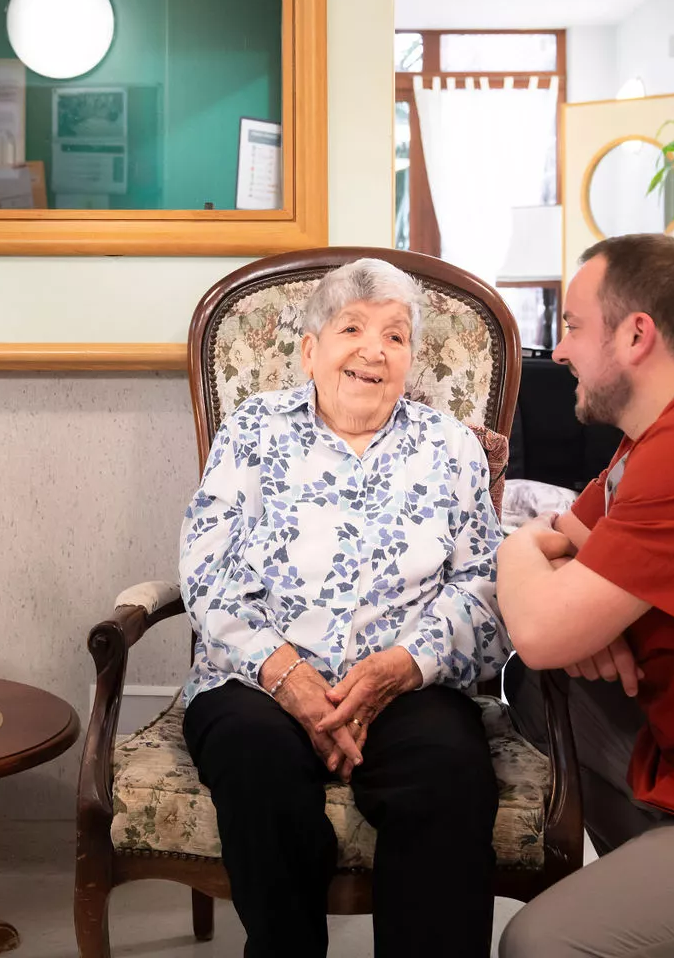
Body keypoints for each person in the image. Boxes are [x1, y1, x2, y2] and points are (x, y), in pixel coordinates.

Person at [179, 257, 509, 958]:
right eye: (352, 327)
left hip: (406, 684)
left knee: (449, 773)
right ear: (309, 350)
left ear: (410, 359)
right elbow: (207, 572)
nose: (373, 349)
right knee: (253, 759)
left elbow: (483, 587)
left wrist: (402, 666)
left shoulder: (450, 448)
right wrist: (285, 674)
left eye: (395, 336)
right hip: (257, 681)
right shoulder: (254, 431)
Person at [497, 233, 674, 957]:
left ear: (638, 335)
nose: (560, 351)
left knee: (538, 944)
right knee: (534, 683)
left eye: (572, 326)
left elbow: (538, 614)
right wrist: (584, 617)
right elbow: (562, 538)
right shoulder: (654, 435)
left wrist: (520, 556)